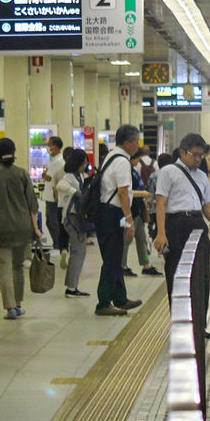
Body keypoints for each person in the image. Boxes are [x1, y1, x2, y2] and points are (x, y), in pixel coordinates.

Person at [152, 132, 210, 334]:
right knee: (176, 276)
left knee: (202, 275)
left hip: (197, 224)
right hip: (175, 225)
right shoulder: (168, 172)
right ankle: (180, 326)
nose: (198, 159)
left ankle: (199, 324)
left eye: (201, 155)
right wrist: (161, 233)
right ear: (183, 152)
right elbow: (161, 203)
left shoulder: (202, 176)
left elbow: (206, 205)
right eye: (195, 155)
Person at [0, 137, 42, 319]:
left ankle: (9, 307)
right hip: (22, 227)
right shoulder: (22, 174)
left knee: (4, 269)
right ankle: (18, 304)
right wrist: (36, 228)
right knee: (18, 267)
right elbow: (32, 205)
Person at [93, 125, 144, 316]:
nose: (138, 145)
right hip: (112, 213)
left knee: (114, 256)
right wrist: (129, 220)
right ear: (127, 142)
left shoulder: (111, 156)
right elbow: (122, 192)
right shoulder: (122, 161)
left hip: (107, 212)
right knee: (112, 258)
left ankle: (120, 298)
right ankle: (103, 302)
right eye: (136, 141)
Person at [54, 150, 91, 297]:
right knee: (78, 251)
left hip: (78, 217)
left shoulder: (80, 176)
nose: (86, 165)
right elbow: (60, 186)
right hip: (72, 217)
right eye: (84, 162)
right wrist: (74, 192)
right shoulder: (68, 177)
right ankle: (71, 287)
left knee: (79, 251)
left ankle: (72, 285)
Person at [122, 149, 162, 277]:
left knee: (141, 238)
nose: (139, 161)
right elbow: (125, 192)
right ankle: (121, 265)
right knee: (126, 239)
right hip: (129, 210)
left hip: (137, 208)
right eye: (137, 158)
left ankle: (146, 264)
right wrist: (143, 194)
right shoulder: (125, 172)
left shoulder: (134, 171)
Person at [41, 136, 68, 261]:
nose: (48, 147)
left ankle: (58, 245)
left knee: (53, 221)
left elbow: (48, 177)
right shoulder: (55, 160)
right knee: (50, 221)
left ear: (56, 147)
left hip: (53, 197)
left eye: (50, 145)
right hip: (50, 195)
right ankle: (56, 245)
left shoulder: (58, 161)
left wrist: (44, 174)